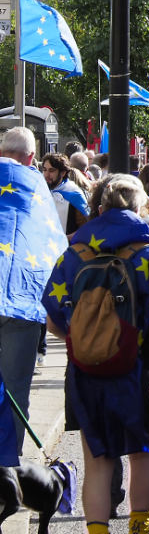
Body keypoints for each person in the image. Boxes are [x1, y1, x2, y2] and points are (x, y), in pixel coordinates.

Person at [43, 174, 149, 534]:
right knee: (143, 452)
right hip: (142, 366)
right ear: (140, 209)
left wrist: (88, 332)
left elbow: (53, 320)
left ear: (98, 208)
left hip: (88, 370)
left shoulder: (74, 252)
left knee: (98, 462)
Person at [0, 128, 65, 455]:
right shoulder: (36, 185)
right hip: (21, 303)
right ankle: (7, 468)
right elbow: (54, 243)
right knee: (15, 389)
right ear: (30, 158)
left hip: (17, 301)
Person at [42, 150, 90, 234]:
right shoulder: (40, 191)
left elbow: (86, 226)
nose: (46, 175)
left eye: (51, 170)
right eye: (45, 170)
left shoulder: (74, 193)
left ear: (63, 173)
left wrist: (66, 239)